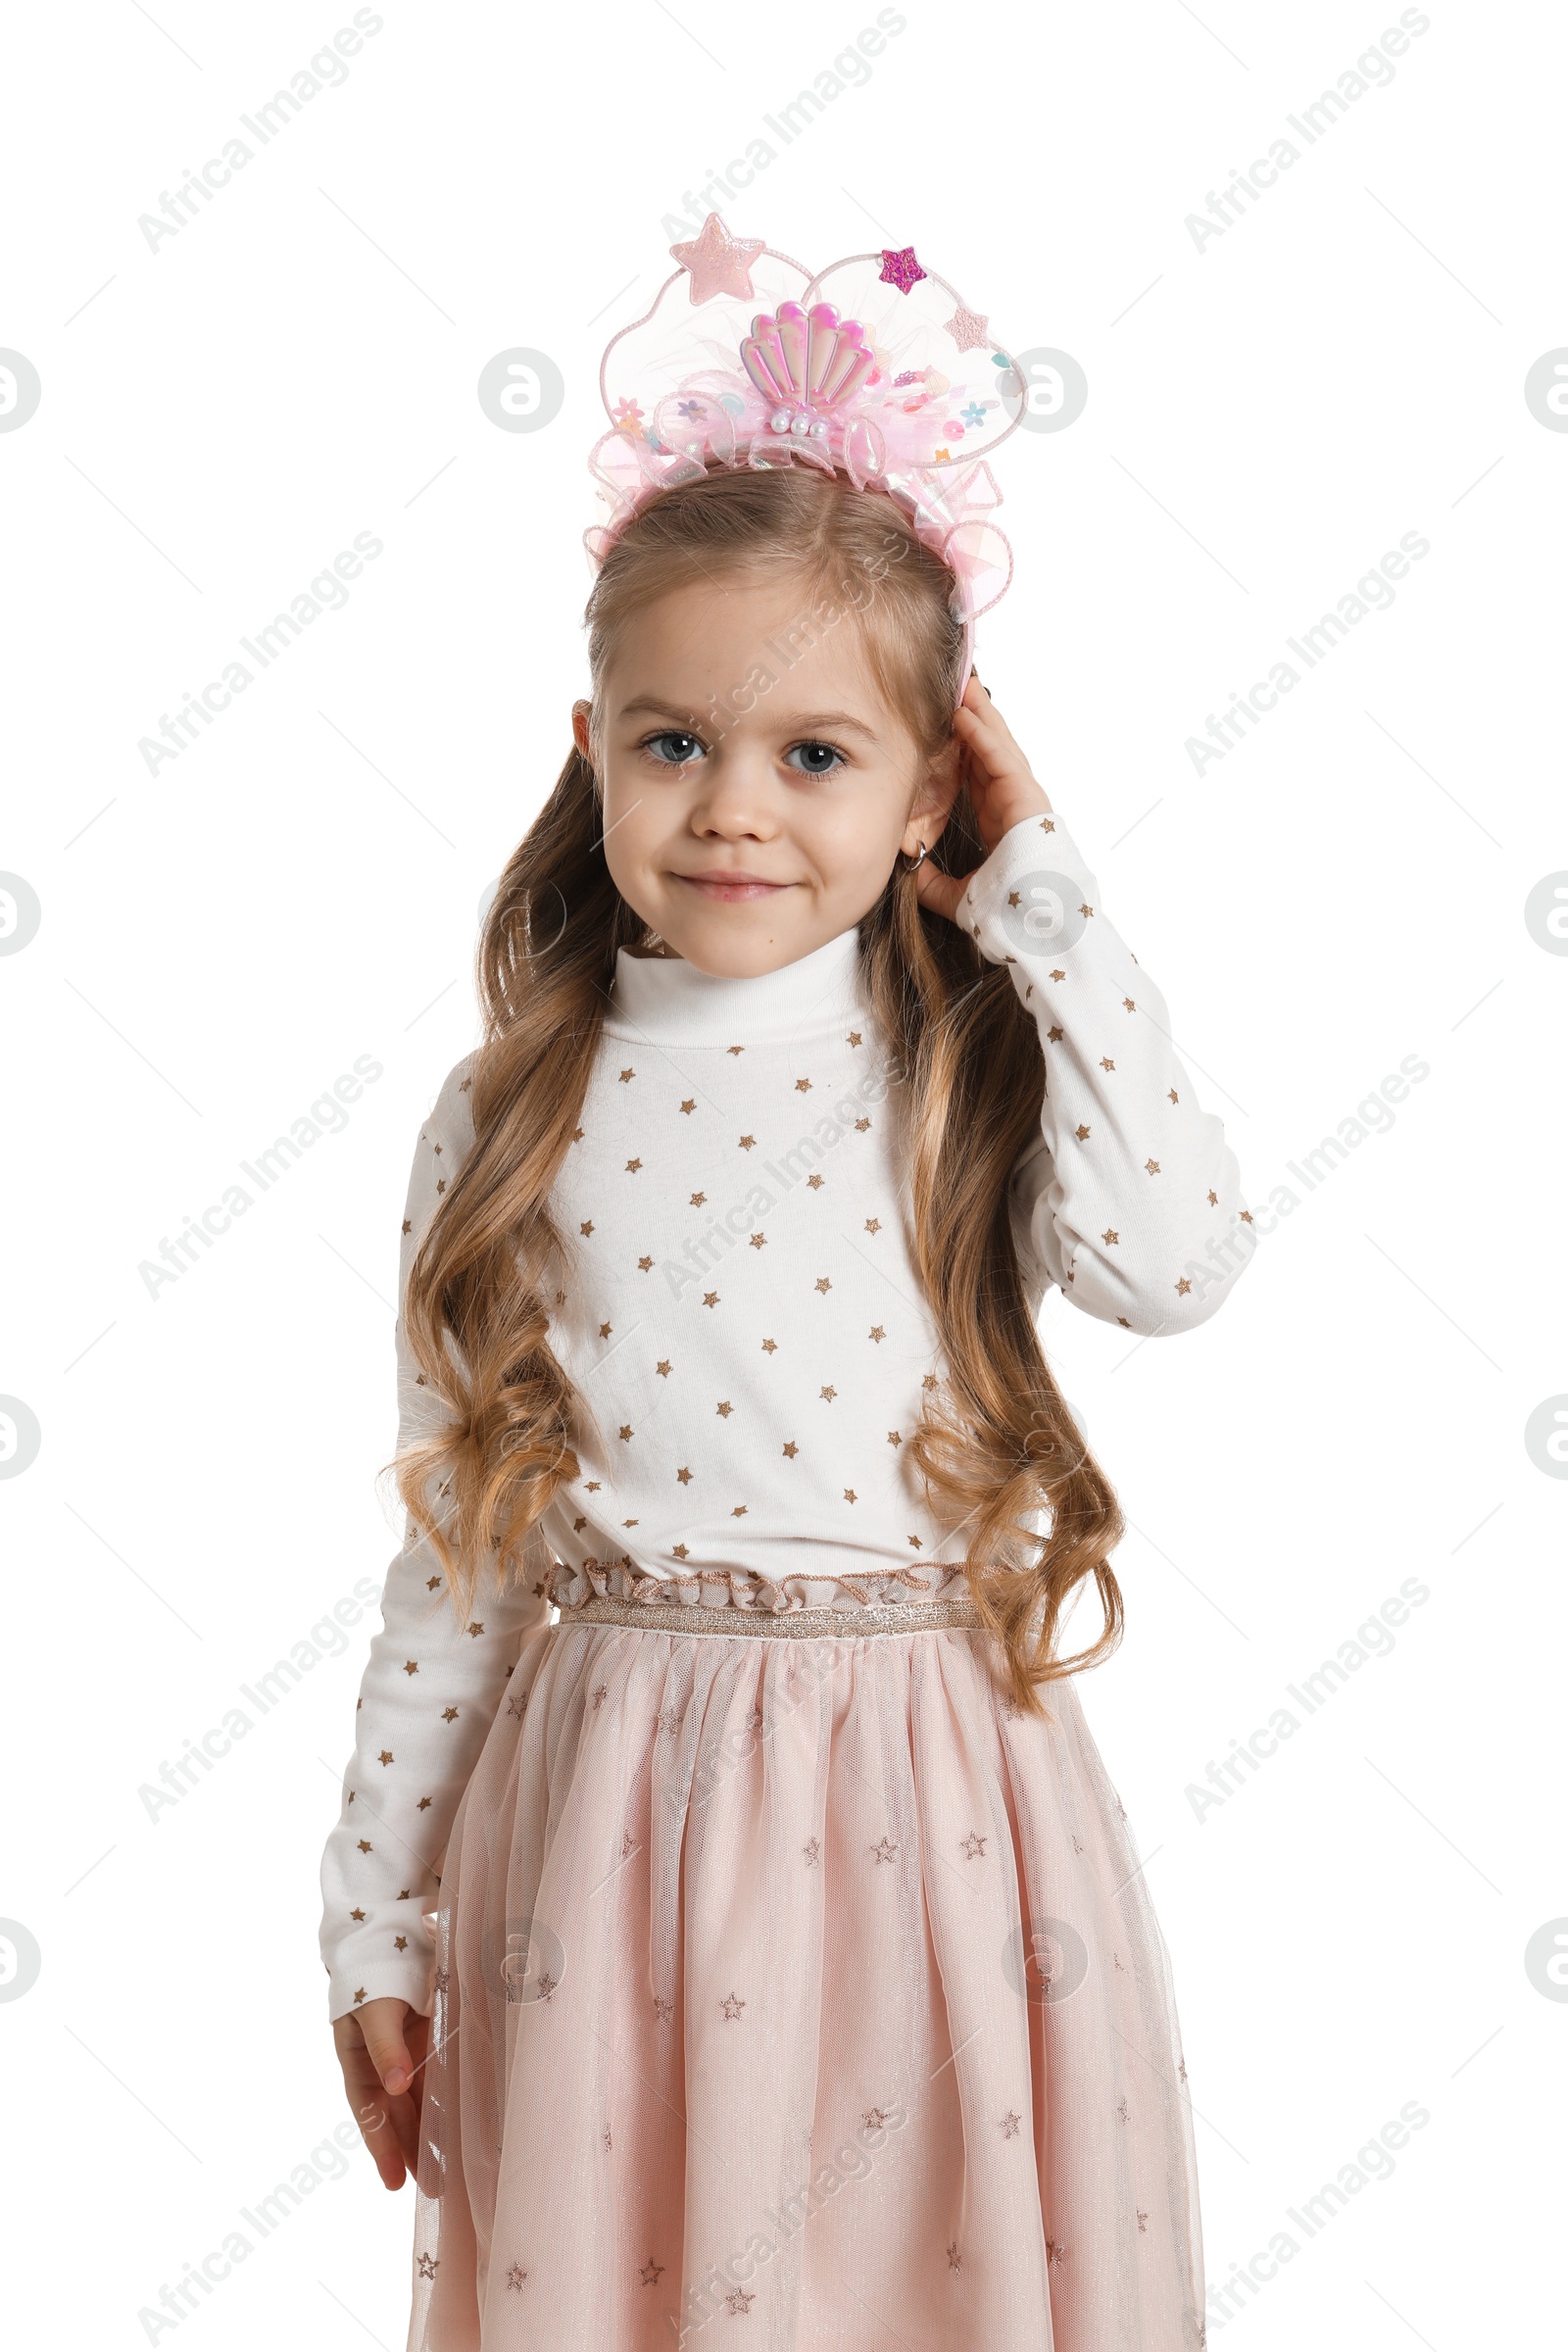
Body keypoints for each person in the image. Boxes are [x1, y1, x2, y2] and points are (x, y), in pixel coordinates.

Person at [320, 220, 1250, 2350]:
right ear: (591, 746)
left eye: (816, 757)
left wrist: (1040, 881)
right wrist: (369, 1920)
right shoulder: (510, 1111)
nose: (735, 808)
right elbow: (454, 1555)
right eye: (673, 745)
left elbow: (1181, 1256)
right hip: (602, 1828)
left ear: (930, 785)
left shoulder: (962, 1069)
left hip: (940, 1815)